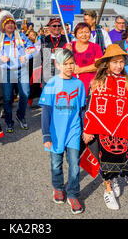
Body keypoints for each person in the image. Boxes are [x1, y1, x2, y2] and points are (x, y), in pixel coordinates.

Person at [80, 44, 128, 210]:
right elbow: (91, 107)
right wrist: (88, 129)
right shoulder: (97, 81)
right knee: (105, 160)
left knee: (120, 157)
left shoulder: (127, 82)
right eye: (115, 62)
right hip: (102, 128)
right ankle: (108, 189)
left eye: (121, 62)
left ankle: (115, 178)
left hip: (121, 128)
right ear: (107, 64)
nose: (119, 66)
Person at [39, 49, 86, 214]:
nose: (69, 66)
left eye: (71, 63)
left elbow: (81, 110)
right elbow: (46, 112)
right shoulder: (51, 84)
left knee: (74, 165)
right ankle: (58, 187)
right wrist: (46, 134)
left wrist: (85, 130)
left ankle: (73, 194)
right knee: (56, 164)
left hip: (73, 131)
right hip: (56, 132)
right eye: (65, 64)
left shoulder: (79, 84)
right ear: (57, 65)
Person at [0, 9, 35, 133]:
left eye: (12, 23)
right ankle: (9, 121)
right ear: (4, 26)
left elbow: (32, 49)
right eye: (7, 23)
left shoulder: (22, 36)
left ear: (15, 25)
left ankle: (20, 116)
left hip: (21, 70)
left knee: (25, 94)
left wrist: (26, 56)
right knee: (8, 98)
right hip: (7, 71)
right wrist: (0, 58)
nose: (10, 25)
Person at [63, 23, 103, 94]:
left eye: (87, 32)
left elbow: (98, 65)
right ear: (75, 34)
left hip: (89, 85)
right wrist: (67, 52)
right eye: (80, 32)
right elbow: (61, 64)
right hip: (70, 84)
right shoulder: (68, 45)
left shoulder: (95, 47)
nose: (84, 35)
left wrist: (80, 70)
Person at [40, 18, 69, 84]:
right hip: (48, 71)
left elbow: (71, 55)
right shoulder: (44, 39)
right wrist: (51, 52)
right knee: (48, 92)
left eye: (59, 26)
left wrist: (62, 51)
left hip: (63, 70)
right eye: (54, 26)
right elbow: (42, 56)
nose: (57, 28)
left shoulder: (67, 39)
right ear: (49, 28)